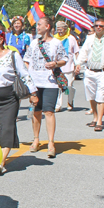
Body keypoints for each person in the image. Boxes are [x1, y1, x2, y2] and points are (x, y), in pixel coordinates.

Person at [0, 26, 38, 175]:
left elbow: (24, 74)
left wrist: (33, 92)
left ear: (0, 40)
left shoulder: (12, 55)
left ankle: (1, 162)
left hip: (10, 97)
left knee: (7, 128)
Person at [23, 17, 68, 158]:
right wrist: (29, 77)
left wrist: (55, 64)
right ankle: (36, 139)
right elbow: (26, 61)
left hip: (50, 83)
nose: (37, 27)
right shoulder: (34, 43)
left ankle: (50, 142)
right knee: (36, 111)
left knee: (49, 112)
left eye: (40, 24)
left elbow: (64, 59)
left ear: (48, 26)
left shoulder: (56, 43)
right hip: (35, 84)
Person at [74, 18, 104, 132]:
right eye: (96, 25)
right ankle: (95, 117)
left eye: (101, 26)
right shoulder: (89, 39)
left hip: (103, 71)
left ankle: (99, 121)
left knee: (101, 96)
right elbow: (83, 52)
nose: (98, 27)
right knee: (91, 96)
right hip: (90, 71)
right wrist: (78, 63)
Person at [54, 21, 79, 111]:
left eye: (61, 29)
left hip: (69, 65)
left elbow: (76, 52)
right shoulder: (54, 39)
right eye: (58, 30)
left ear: (65, 29)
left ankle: (70, 101)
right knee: (58, 86)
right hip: (57, 66)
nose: (59, 31)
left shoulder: (71, 38)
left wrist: (77, 64)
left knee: (69, 85)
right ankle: (58, 105)